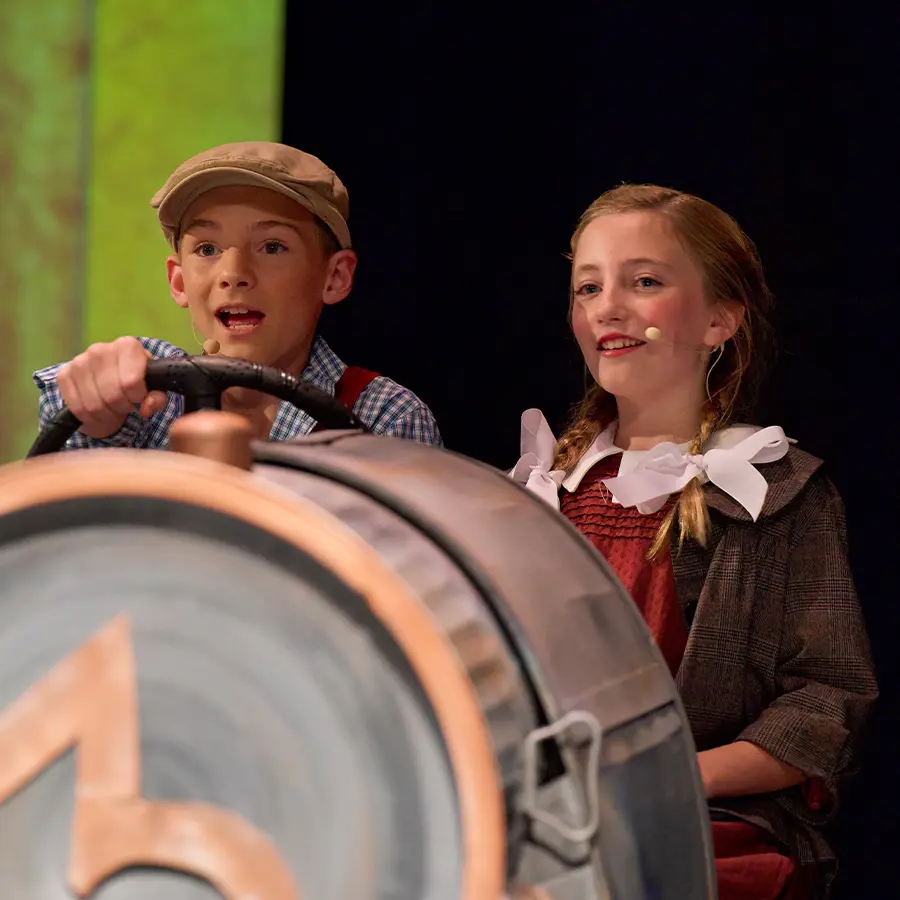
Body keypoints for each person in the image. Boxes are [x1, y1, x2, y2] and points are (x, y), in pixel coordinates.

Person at [510, 184, 877, 898]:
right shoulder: (538, 492)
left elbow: (826, 701)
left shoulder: (773, 491)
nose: (607, 307)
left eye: (644, 282)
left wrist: (668, 775)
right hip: (543, 820)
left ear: (719, 319)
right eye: (588, 287)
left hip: (704, 826)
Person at [33, 142, 441, 448]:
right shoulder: (146, 398)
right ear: (178, 282)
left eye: (272, 247)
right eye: (207, 249)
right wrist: (98, 410)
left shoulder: (383, 417)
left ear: (334, 277)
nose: (233, 274)